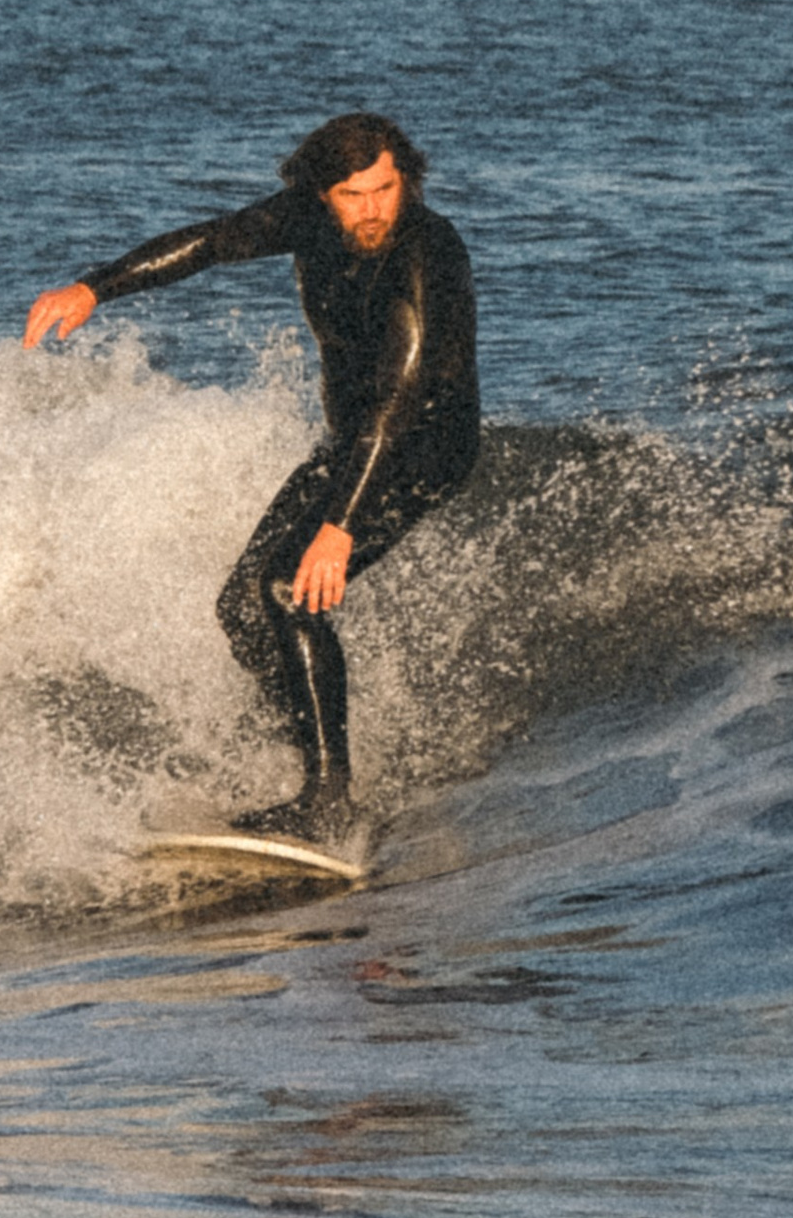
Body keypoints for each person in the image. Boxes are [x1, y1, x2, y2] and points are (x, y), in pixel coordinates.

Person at [25, 113, 479, 838]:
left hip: (422, 445)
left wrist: (339, 526)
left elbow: (398, 397)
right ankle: (313, 752)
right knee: (242, 608)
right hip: (354, 445)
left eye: (386, 189)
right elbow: (209, 242)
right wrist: (94, 290)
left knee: (286, 592)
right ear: (322, 195)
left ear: (407, 180)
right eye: (353, 195)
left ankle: (328, 801)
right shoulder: (311, 221)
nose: (373, 210)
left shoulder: (426, 252)